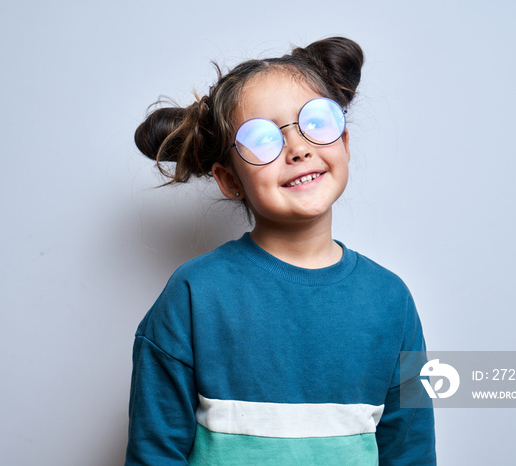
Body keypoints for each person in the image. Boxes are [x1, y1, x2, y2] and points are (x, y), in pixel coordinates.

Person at [126, 36, 436, 465]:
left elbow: (411, 450)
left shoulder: (391, 301)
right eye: (262, 138)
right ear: (230, 180)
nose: (298, 148)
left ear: (344, 143)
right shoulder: (195, 294)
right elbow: (154, 453)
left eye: (317, 122)